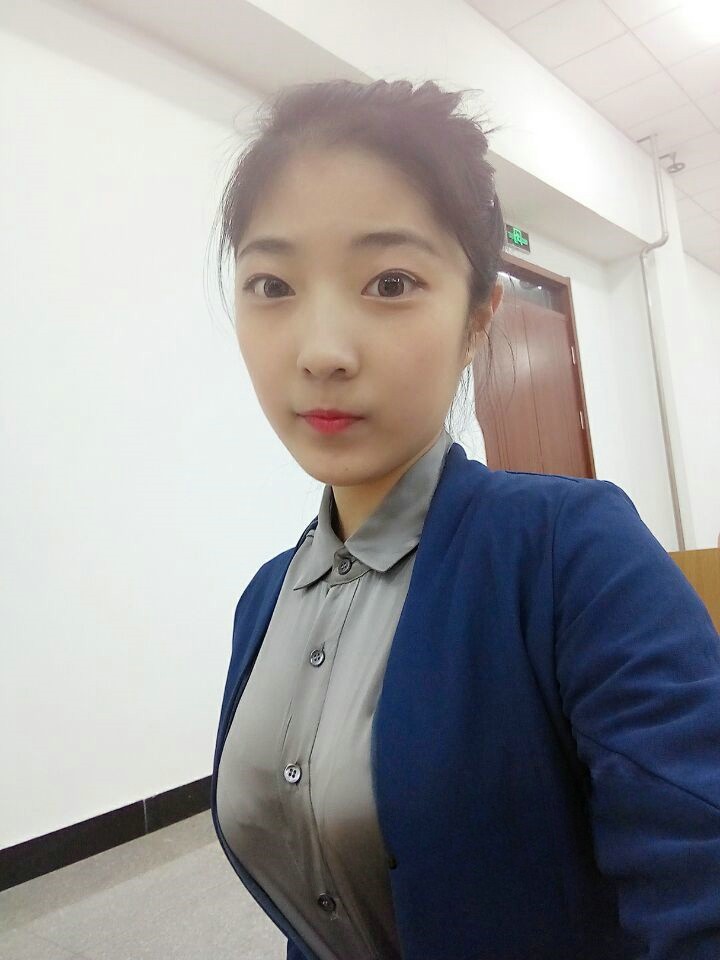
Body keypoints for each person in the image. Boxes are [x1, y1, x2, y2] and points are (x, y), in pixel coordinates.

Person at [209, 78, 720, 960]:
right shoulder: (264, 599)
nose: (321, 352)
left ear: (478, 318)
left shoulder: (573, 552)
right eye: (271, 283)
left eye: (391, 282)